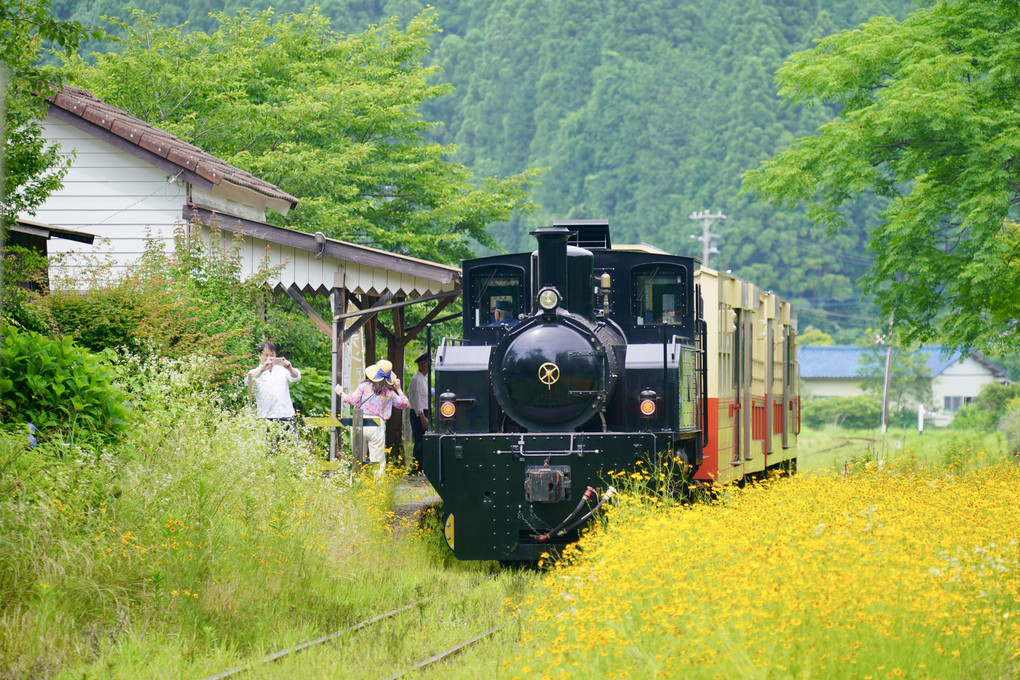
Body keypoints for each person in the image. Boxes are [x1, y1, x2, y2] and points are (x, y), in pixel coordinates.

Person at [335, 359, 409, 477]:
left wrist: (340, 393)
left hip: (360, 423)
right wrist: (398, 389)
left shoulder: (364, 386)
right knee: (378, 461)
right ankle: (377, 486)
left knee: (358, 457)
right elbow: (405, 404)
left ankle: (356, 482)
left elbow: (352, 400)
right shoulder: (389, 392)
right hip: (376, 425)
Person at [246, 341, 301, 423]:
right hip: (266, 416)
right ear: (259, 356)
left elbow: (296, 376)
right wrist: (262, 369)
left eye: (272, 355)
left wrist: (289, 368)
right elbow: (248, 382)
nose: (269, 358)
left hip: (286, 414)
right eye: (266, 355)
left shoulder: (282, 369)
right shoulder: (255, 372)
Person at [407, 352, 431, 474]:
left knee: (422, 440)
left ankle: (420, 466)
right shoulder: (417, 380)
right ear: (423, 365)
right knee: (420, 441)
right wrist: (422, 417)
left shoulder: (422, 379)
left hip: (422, 412)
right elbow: (416, 400)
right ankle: (417, 468)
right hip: (418, 413)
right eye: (428, 364)